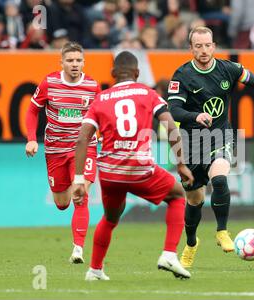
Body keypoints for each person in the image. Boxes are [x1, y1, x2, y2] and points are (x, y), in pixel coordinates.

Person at [168, 26, 254, 268]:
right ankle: (192, 243)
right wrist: (195, 116)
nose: (204, 50)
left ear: (214, 46)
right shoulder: (182, 75)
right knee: (194, 199)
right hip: (191, 141)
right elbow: (173, 109)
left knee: (220, 178)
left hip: (220, 134)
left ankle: (222, 231)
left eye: (207, 45)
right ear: (190, 48)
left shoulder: (228, 69)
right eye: (198, 46)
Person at [72, 51, 194, 281]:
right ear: (137, 73)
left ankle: (95, 270)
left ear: (113, 74)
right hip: (139, 170)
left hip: (109, 173)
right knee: (178, 195)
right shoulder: (148, 94)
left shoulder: (101, 98)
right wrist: (181, 164)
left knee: (110, 218)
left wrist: (79, 179)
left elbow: (82, 139)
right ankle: (169, 254)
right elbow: (171, 128)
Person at [25, 42, 101, 263]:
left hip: (84, 148)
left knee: (80, 196)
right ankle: (67, 190)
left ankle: (78, 249)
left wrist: (104, 135)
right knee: (62, 203)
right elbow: (32, 110)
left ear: (84, 62)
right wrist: (31, 139)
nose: (74, 64)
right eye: (70, 60)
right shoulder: (49, 83)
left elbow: (101, 116)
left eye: (78, 60)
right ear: (62, 63)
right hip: (55, 149)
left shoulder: (92, 86)